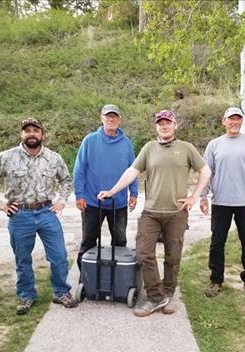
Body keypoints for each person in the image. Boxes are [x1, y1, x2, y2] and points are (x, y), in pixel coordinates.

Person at [98, 110, 211, 317]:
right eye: (160, 123)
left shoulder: (186, 148)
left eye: (168, 123)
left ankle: (168, 292)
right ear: (156, 127)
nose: (164, 126)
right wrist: (113, 190)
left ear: (175, 125)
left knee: (173, 256)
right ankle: (156, 297)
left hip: (177, 213)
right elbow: (132, 172)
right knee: (143, 253)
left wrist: (195, 196)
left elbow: (206, 171)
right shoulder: (149, 148)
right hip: (151, 212)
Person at [0, 117, 77, 315]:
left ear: (42, 134)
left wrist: (62, 200)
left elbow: (66, 181)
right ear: (22, 134)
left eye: (35, 130)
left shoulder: (53, 158)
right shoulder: (7, 157)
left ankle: (61, 292)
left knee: (59, 256)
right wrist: (0, 205)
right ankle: (26, 295)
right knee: (22, 259)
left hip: (47, 212)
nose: (31, 133)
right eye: (27, 130)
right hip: (20, 215)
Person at [200, 107, 245, 299]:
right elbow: (206, 172)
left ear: (241, 122)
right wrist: (203, 196)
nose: (234, 122)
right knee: (217, 243)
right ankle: (216, 280)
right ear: (224, 121)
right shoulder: (214, 145)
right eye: (231, 119)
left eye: (238, 119)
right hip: (221, 201)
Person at [73, 104, 138, 271]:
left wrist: (134, 193)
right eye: (107, 116)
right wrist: (79, 194)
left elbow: (133, 169)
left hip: (119, 202)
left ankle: (118, 277)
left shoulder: (127, 144)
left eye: (114, 116)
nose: (111, 119)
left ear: (120, 120)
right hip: (93, 202)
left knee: (120, 242)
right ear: (101, 118)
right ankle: (86, 278)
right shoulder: (90, 140)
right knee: (88, 241)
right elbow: (79, 169)